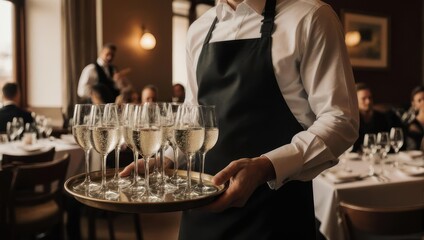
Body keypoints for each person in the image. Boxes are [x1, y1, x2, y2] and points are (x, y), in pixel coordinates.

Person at [121, 0, 358, 239]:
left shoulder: (310, 17)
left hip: (276, 214)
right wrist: (167, 158)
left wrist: (267, 167)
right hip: (202, 207)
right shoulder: (199, 29)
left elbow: (340, 120)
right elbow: (194, 113)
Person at [352, 82, 401, 152]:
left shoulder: (382, 118)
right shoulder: (352, 120)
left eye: (370, 97)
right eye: (364, 98)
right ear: (355, 100)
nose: (368, 101)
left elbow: (388, 143)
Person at [406, 85, 424, 150]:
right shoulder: (413, 126)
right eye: (419, 100)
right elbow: (413, 149)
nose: (423, 102)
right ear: (414, 104)